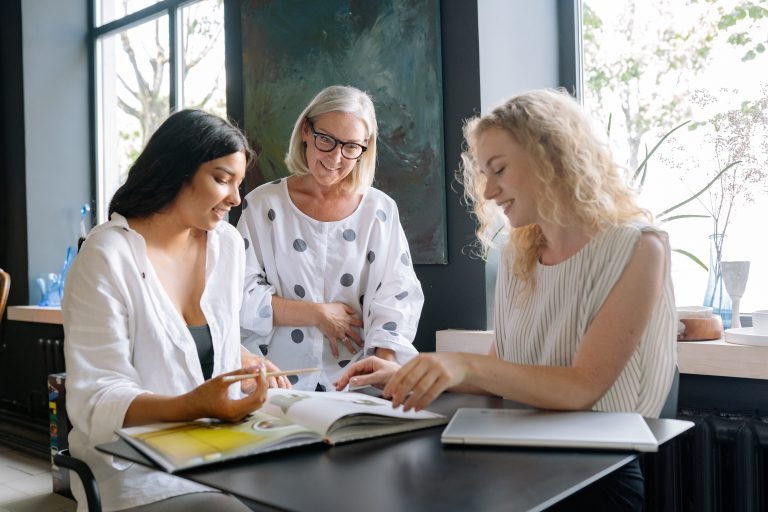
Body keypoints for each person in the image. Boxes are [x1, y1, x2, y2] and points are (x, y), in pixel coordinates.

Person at [336, 89, 677, 511]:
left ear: (553, 158)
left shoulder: (640, 247)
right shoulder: (519, 252)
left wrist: (462, 363)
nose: (490, 191)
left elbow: (581, 389)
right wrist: (412, 372)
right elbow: (502, 371)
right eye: (483, 174)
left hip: (596, 477)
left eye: (498, 170)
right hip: (516, 463)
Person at [63, 109, 281, 512]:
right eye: (222, 179)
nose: (235, 198)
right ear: (176, 171)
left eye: (238, 183)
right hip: (140, 473)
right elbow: (96, 399)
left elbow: (201, 351)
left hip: (222, 456)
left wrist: (246, 362)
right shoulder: (107, 256)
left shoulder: (227, 245)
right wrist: (196, 405)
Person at [238, 85, 424, 391]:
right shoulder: (263, 204)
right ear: (306, 132)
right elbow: (239, 293)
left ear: (365, 148)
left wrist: (384, 366)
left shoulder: (379, 210)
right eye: (326, 140)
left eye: (351, 146)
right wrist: (317, 314)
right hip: (275, 380)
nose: (336, 157)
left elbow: (396, 297)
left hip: (355, 383)